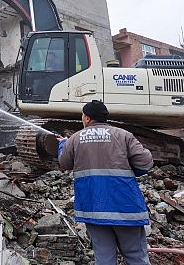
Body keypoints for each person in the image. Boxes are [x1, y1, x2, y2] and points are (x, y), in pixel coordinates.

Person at [57, 100, 154, 265]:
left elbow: (64, 163)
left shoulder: (75, 139)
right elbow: (146, 163)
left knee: (104, 258)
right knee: (136, 256)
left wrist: (62, 145)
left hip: (94, 208)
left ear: (87, 118)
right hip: (126, 207)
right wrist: (132, 172)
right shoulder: (123, 135)